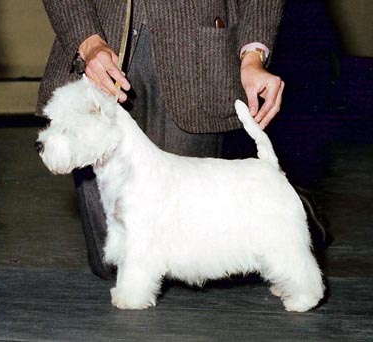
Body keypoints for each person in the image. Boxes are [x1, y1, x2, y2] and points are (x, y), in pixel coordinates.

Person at [38, 0, 286, 279]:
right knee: (110, 267)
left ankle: (282, 206)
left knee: (185, 262)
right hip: (98, 46)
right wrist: (87, 41)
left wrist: (253, 54)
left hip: (197, 55)